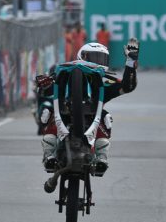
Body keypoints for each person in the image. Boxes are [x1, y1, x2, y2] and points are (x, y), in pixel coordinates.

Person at [39, 38, 139, 190]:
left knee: (106, 117)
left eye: (101, 59)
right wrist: (44, 83)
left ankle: (101, 158)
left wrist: (130, 63)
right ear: (83, 56)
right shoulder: (64, 77)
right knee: (47, 113)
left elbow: (128, 86)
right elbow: (43, 90)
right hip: (63, 117)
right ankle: (49, 156)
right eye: (94, 58)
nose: (98, 62)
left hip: (93, 119)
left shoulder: (105, 83)